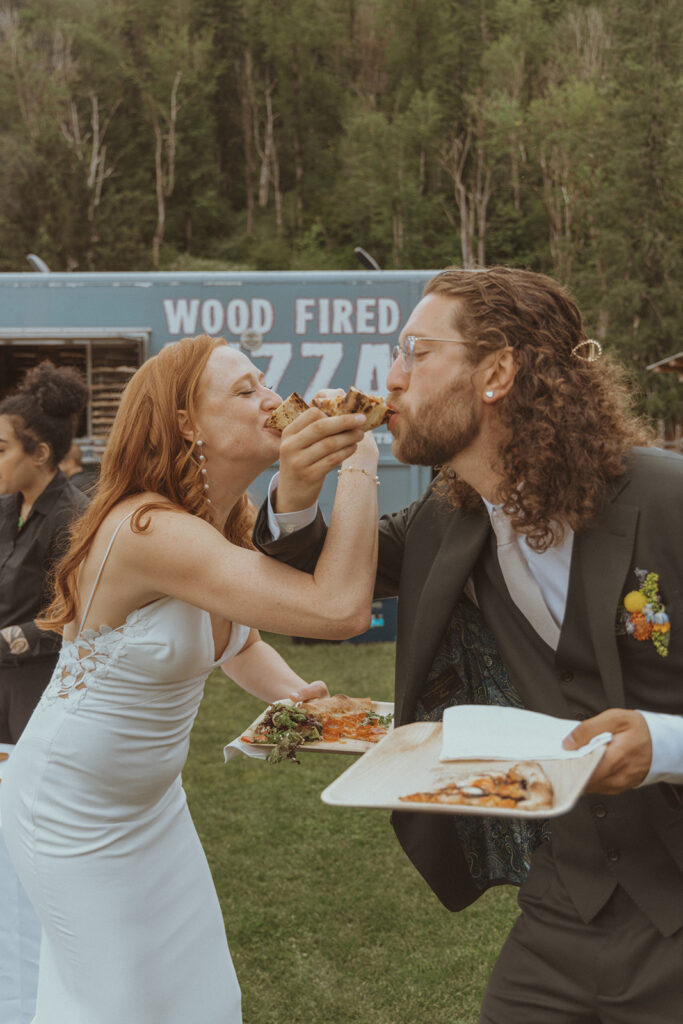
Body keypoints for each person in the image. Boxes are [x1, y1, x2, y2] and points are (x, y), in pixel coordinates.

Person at [253, 266, 683, 1023]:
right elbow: (319, 575)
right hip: (563, 903)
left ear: (497, 372)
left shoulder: (666, 500)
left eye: (415, 352)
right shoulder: (444, 522)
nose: (390, 378)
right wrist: (293, 494)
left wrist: (669, 744)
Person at [0, 334, 379, 1024]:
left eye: (264, 382)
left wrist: (298, 700)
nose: (271, 399)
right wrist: (357, 461)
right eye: (244, 391)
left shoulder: (221, 521)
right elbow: (339, 608)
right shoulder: (148, 528)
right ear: (183, 422)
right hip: (70, 811)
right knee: (115, 1006)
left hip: (153, 810)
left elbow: (237, 644)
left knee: (198, 998)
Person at [0, 361, 90, 742]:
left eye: (1, 449)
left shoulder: (74, 517)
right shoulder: (7, 506)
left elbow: (76, 616)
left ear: (39, 453)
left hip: (39, 685)